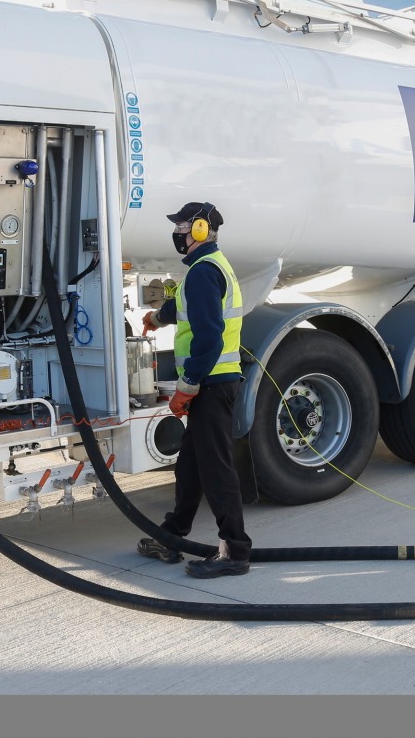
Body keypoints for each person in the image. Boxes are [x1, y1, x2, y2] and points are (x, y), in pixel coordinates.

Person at [135, 201, 251, 578]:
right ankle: (172, 537)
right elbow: (184, 307)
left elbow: (209, 338)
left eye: (183, 225)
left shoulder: (203, 272)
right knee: (191, 467)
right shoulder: (206, 268)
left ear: (200, 229)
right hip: (214, 382)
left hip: (211, 383)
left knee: (216, 469)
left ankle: (234, 550)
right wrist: (156, 317)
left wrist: (186, 387)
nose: (178, 232)